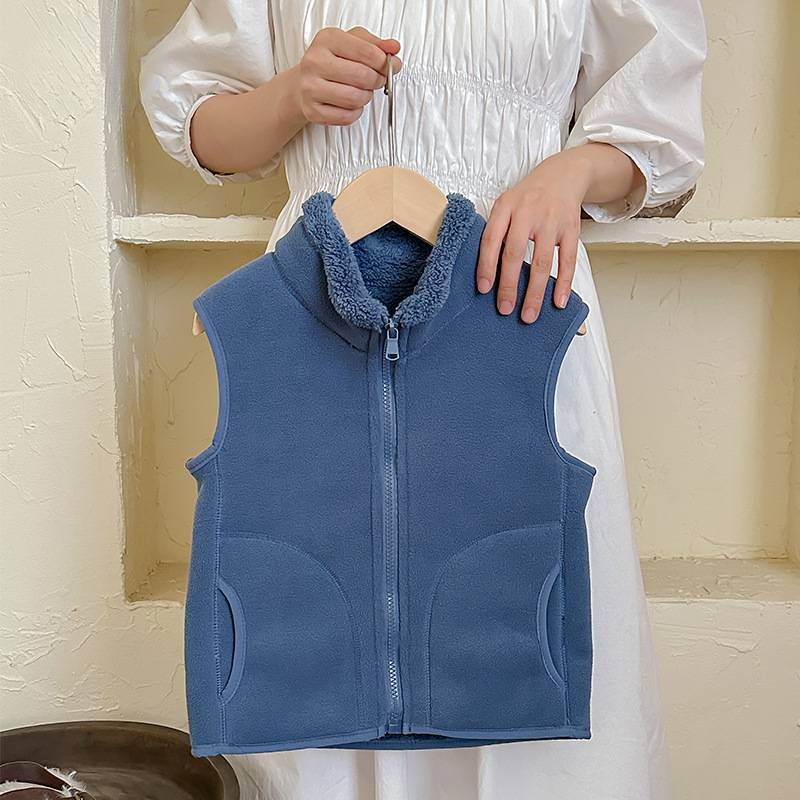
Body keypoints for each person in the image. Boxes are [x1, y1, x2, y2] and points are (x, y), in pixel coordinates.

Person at [139, 2, 706, 798]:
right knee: (313, 636)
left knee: (525, 617)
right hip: (315, 307)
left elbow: (662, 133)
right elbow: (198, 123)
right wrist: (291, 95)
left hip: (515, 292)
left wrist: (571, 170)